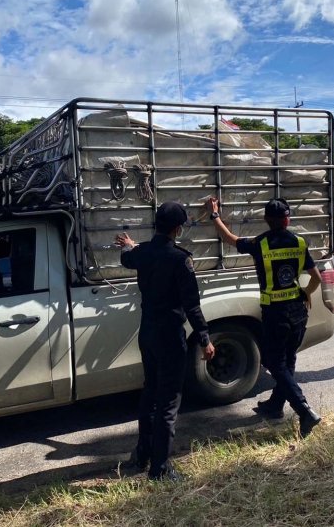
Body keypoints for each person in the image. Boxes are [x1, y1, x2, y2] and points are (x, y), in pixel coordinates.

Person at [115, 201, 215, 481]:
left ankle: (142, 455)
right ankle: (160, 469)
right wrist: (205, 338)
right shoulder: (179, 259)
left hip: (147, 334)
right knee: (169, 402)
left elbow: (127, 258)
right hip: (170, 336)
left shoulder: (143, 252)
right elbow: (191, 305)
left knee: (150, 395)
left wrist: (128, 245)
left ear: (156, 225)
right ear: (178, 228)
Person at [206, 196, 322, 438]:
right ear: (287, 219)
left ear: (267, 220)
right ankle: (275, 406)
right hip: (298, 312)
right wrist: (304, 293)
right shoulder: (300, 242)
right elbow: (316, 279)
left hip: (275, 313)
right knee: (288, 360)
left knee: (273, 361)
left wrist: (215, 214)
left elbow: (230, 239)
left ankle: (304, 410)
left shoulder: (261, 243)